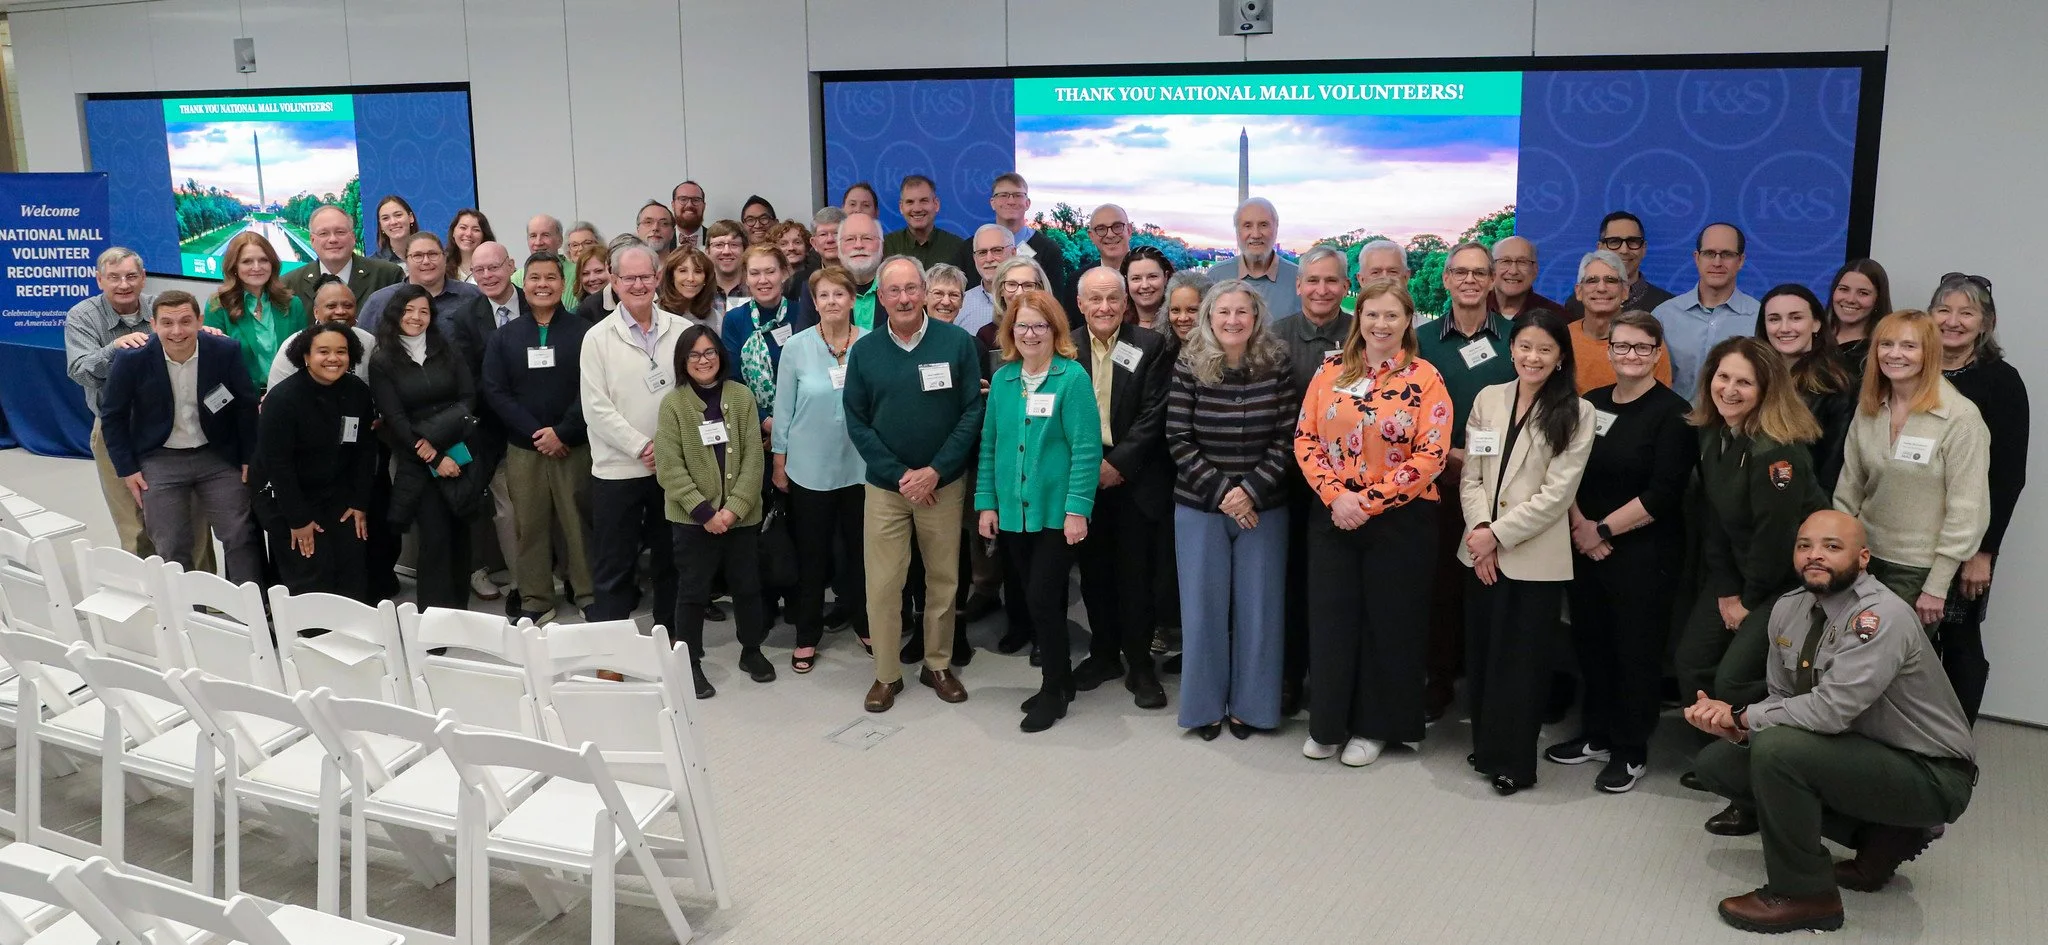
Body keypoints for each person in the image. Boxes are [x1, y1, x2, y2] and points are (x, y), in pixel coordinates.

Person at [1688, 511, 1976, 935]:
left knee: (1778, 751)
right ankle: (1883, 837)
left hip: (1930, 773)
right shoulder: (1789, 610)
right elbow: (1783, 700)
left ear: (1863, 558)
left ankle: (1806, 895)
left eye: (1831, 547)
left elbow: (1829, 711)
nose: (1814, 556)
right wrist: (1738, 728)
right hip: (1857, 753)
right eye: (1804, 546)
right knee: (1719, 762)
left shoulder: (1879, 618)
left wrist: (1742, 716)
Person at [1295, 278, 1453, 766]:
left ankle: (1375, 727)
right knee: (1332, 622)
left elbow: (1433, 454)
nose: (1381, 324)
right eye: (1371, 315)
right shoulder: (1330, 373)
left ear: (1409, 321)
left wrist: (1371, 501)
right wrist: (1337, 497)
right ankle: (1328, 724)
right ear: (1357, 319)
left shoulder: (1426, 378)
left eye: (1392, 316)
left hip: (1401, 522)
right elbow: (1306, 440)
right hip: (1334, 516)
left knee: (1390, 625)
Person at [1674, 336, 1826, 833]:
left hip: (1786, 587)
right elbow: (1714, 520)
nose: (1730, 389)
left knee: (1734, 681)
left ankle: (1753, 790)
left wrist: (1748, 601)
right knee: (1692, 661)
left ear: (1766, 389)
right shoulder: (1716, 436)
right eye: (1723, 377)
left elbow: (1776, 538)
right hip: (1737, 577)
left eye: (1744, 381)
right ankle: (1723, 764)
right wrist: (1724, 590)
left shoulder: (1778, 452)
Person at [1548, 311, 1695, 792]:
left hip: (1642, 554)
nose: (1630, 356)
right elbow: (1566, 472)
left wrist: (1602, 530)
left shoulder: (1675, 413)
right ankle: (1596, 735)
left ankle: (1631, 749)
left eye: (1641, 348)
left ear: (1657, 354)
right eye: (1622, 346)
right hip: (1585, 546)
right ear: (1608, 351)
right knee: (1592, 644)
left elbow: (1663, 494)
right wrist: (1580, 528)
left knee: (1635, 653)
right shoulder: (1589, 403)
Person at [1457, 311, 1596, 795]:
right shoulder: (1488, 399)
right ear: (1511, 348)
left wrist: (1497, 535)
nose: (1532, 357)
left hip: (1532, 558)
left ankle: (1516, 761)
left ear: (1561, 358)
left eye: (1545, 350)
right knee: (1484, 657)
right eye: (1525, 347)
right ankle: (1488, 746)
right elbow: (1472, 474)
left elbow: (1556, 496)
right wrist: (1479, 532)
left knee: (1521, 664)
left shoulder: (1577, 412)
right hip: (1479, 552)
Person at [841, 256, 985, 712]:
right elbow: (857, 421)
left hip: (942, 486)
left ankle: (937, 664)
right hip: (887, 489)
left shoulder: (958, 343)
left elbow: (971, 412)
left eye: (911, 289)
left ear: (923, 292)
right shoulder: (864, 351)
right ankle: (886, 674)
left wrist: (935, 470)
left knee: (944, 580)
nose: (903, 298)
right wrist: (901, 474)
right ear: (880, 299)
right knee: (883, 584)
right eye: (893, 291)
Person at [1165, 280, 1296, 740]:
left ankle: (1252, 709)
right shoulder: (1188, 364)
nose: (1233, 321)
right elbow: (1178, 438)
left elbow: (1287, 437)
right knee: (1202, 612)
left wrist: (1251, 492)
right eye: (1223, 312)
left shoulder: (1276, 364)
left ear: (1257, 318)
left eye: (1242, 312)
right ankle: (1203, 709)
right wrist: (1225, 493)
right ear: (1209, 317)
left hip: (1265, 508)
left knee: (1260, 613)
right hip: (1201, 506)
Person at [975, 288, 1100, 731]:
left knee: (1046, 599)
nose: (1030, 333)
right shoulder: (1005, 381)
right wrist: (986, 504)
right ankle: (1061, 681)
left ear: (1055, 330)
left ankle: (1053, 690)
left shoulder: (1072, 379)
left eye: (1039, 325)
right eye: (1021, 325)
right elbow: (990, 446)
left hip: (1055, 513)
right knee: (1030, 598)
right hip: (1012, 513)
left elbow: (1086, 450)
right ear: (1011, 331)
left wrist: (1077, 510)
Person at [1833, 310, 1989, 625]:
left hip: (1918, 571)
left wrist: (1937, 586)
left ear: (1929, 353)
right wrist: (1842, 555)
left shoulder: (1961, 417)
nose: (1894, 354)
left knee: (1884, 665)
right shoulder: (1870, 409)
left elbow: (1967, 509)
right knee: (1850, 658)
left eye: (1908, 346)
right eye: (1886, 344)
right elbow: (1849, 488)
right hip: (1864, 560)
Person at [1414, 241, 1515, 720]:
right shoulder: (1423, 341)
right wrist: (1446, 455)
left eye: (1481, 272)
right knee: (1439, 585)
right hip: (1436, 482)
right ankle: (1438, 679)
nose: (1471, 280)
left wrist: (1470, 456)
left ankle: (1485, 682)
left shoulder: (1517, 338)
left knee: (1491, 581)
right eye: (1461, 272)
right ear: (1447, 279)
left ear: (1493, 280)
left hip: (1501, 486)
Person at [100, 291, 263, 583]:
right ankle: (187, 619)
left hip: (216, 455)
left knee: (240, 534)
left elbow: (245, 405)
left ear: (200, 322)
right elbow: (113, 416)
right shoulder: (131, 360)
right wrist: (127, 469)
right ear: (153, 325)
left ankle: (248, 614)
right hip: (160, 458)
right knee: (171, 543)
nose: (177, 332)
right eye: (167, 323)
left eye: (186, 321)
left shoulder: (224, 351)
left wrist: (248, 457)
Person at [580, 245, 688, 665]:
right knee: (614, 565)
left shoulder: (681, 330)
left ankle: (672, 640)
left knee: (670, 560)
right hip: (617, 469)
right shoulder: (597, 338)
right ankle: (612, 655)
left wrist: (667, 450)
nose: (638, 285)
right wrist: (642, 446)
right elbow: (595, 406)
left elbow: (691, 394)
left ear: (658, 277)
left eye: (646, 277)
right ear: (613, 281)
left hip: (671, 468)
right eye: (629, 279)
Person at [1069, 268, 1171, 711]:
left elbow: (1155, 415)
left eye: (1113, 298)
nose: (1105, 307)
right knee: (1094, 575)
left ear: (1126, 302)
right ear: (1080, 304)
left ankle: (1141, 666)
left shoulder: (1151, 346)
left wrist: (1117, 465)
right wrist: (1088, 470)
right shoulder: (1064, 347)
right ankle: (1105, 655)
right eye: (1096, 299)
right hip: (1081, 479)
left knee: (1135, 578)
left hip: (1132, 480)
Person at [1930, 273, 2024, 724]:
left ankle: (1954, 743)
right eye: (1944, 310)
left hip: (1968, 534)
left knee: (1958, 633)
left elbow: (2008, 476)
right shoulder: (1910, 367)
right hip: (1908, 528)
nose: (1953, 321)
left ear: (1986, 322)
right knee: (1907, 634)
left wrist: (1984, 551)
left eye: (1966, 313)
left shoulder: (2001, 381)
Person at [656, 325, 770, 697]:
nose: (703, 361)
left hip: (740, 518)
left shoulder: (741, 397)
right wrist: (705, 513)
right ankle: (690, 663)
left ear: (720, 356)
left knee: (748, 587)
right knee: (692, 592)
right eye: (694, 355)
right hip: (693, 520)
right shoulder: (674, 404)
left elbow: (754, 459)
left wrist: (733, 510)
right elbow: (669, 467)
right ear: (683, 362)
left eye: (709, 353)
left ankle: (751, 650)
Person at [483, 251, 594, 625]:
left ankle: (587, 592)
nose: (542, 285)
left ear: (563, 285)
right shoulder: (504, 337)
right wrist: (537, 434)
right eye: (534, 278)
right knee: (527, 525)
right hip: (524, 448)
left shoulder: (583, 332)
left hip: (573, 445)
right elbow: (495, 391)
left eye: (550, 278)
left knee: (577, 523)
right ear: (523, 283)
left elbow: (593, 387)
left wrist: (563, 431)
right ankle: (536, 597)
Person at [774, 267, 873, 670]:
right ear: (814, 303)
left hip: (861, 467)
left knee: (861, 554)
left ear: (853, 300)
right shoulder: (796, 347)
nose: (832, 302)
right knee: (812, 556)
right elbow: (783, 408)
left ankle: (866, 623)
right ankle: (807, 634)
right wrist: (779, 461)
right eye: (823, 296)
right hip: (808, 467)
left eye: (839, 294)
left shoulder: (870, 344)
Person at [1271, 246, 1356, 715]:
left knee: (1334, 594)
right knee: (1289, 585)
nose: (1322, 290)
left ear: (1346, 287)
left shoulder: (1364, 335)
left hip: (1347, 492)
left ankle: (1334, 683)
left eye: (1332, 281)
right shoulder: (1275, 337)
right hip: (1287, 483)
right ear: (1298, 285)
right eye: (1313, 281)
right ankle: (1287, 677)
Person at [368, 285, 489, 609]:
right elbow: (395, 419)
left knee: (461, 534)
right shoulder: (382, 359)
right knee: (434, 539)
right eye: (408, 310)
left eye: (423, 310)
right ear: (396, 313)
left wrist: (447, 448)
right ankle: (433, 621)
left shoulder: (446, 348)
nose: (416, 317)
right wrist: (435, 458)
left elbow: (467, 398)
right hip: (419, 460)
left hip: (460, 449)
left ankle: (459, 614)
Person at [66, 247, 185, 560]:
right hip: (114, 428)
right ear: (99, 280)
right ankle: (148, 593)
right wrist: (113, 350)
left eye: (131, 276)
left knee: (182, 511)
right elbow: (79, 370)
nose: (123, 284)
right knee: (131, 518)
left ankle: (194, 592)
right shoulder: (82, 316)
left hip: (169, 425)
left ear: (143, 278)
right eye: (114, 277)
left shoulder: (161, 308)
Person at [254, 322, 378, 601]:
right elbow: (277, 465)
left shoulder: (357, 391)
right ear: (306, 356)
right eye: (323, 351)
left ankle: (349, 638)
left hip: (337, 492)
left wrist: (359, 502)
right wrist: (298, 520)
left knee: (351, 566)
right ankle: (309, 638)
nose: (333, 358)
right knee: (309, 568)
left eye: (341, 352)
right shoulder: (282, 399)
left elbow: (364, 451)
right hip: (287, 496)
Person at [447, 241, 527, 604]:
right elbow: (470, 379)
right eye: (479, 271)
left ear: (511, 265)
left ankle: (570, 577)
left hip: (546, 426)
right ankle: (522, 584)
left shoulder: (538, 303)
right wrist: (510, 408)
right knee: (507, 510)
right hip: (494, 430)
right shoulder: (465, 318)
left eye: (494, 267)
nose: (488, 276)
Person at [1756, 284, 1856, 490]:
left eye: (1796, 317)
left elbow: (1832, 466)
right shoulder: (1753, 378)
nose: (1784, 328)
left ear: (1816, 323)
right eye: (1774, 319)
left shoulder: (1836, 386)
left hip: (1804, 504)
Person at [1654, 222, 1760, 398]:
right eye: (1709, 253)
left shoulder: (1759, 317)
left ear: (1740, 261)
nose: (1717, 262)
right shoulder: (1664, 315)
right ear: (1697, 258)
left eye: (1727, 254)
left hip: (1737, 423)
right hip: (1677, 422)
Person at [201, 232, 308, 397]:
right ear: (234, 266)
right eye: (247, 261)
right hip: (241, 401)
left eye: (264, 260)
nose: (257, 267)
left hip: (290, 397)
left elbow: (306, 358)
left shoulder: (293, 304)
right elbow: (216, 365)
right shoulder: (218, 305)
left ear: (272, 264)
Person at [955, 173, 1071, 317]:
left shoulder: (1048, 249)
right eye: (1003, 195)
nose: (1010, 201)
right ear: (992, 202)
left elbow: (1055, 304)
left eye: (1017, 195)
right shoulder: (970, 247)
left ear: (1027, 203)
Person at [1569, 250, 1672, 393]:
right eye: (1592, 280)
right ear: (1579, 291)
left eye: (1610, 280)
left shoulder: (1648, 343)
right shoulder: (1561, 339)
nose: (1601, 288)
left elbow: (1661, 403)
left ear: (1625, 291)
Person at [721, 245, 797, 432]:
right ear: (746, 278)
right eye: (754, 273)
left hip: (801, 422)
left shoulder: (801, 314)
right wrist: (765, 422)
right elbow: (732, 380)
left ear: (784, 274)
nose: (763, 280)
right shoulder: (734, 320)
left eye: (770, 272)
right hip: (752, 425)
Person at [359, 232, 483, 334]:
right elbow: (364, 349)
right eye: (417, 256)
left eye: (433, 254)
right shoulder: (380, 302)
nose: (426, 261)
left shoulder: (473, 296)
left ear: (445, 258)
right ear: (406, 261)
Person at [1564, 211, 1675, 320]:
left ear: (1644, 248)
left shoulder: (1668, 306)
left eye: (1632, 241)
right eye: (1614, 241)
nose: (1624, 250)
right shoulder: (1578, 303)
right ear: (1600, 248)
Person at [284, 205, 403, 307]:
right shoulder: (289, 285)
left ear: (352, 237)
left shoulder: (387, 275)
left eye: (340, 232)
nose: (333, 239)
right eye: (323, 233)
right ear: (312, 240)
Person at [269, 276, 376, 388]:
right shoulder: (295, 344)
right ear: (316, 312)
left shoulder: (368, 342)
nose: (340, 311)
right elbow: (276, 395)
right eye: (331, 306)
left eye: (348, 306)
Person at [1204, 197, 1299, 318]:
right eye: (1247, 226)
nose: (1256, 234)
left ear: (1276, 229)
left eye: (1263, 225)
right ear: (1237, 231)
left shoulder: (1298, 278)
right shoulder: (1215, 277)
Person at [882, 174, 965, 268]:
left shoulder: (957, 247)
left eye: (924, 201)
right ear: (901, 207)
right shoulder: (886, 246)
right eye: (910, 202)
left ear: (936, 204)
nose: (917, 209)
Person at [1825, 259, 1892, 367]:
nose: (1850, 299)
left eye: (1863, 293)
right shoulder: (1811, 337)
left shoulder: (1885, 350)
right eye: (1844, 289)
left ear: (1878, 299)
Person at [978, 256, 1050, 353]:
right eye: (1011, 284)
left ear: (1040, 289)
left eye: (1028, 285)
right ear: (1000, 290)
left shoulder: (1054, 330)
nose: (1019, 293)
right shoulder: (986, 335)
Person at [958, 224, 1014, 338]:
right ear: (974, 258)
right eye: (982, 252)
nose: (989, 259)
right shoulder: (960, 305)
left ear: (1013, 253)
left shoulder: (1033, 301)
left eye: (997, 250)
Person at [1490, 236, 1563, 319]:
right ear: (1492, 268)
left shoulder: (1557, 316)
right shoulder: (1474, 309)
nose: (1513, 271)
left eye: (1522, 262)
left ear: (1535, 270)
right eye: (1505, 261)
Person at [656, 245, 720, 333]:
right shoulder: (655, 314)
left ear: (706, 278)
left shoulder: (715, 318)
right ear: (671, 276)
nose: (690, 278)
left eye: (698, 271)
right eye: (683, 271)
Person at [514, 215, 577, 297]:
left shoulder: (577, 274)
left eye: (545, 235)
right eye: (533, 236)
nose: (538, 242)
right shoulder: (516, 279)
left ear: (560, 240)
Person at [1120, 245, 1174, 334]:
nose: (1145, 285)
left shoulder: (1179, 323)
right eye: (1136, 278)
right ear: (1126, 281)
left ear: (1166, 277)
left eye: (1152, 276)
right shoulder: (1117, 324)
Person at [705, 221, 751, 316]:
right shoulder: (699, 290)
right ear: (707, 251)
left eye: (734, 245)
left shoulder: (757, 288)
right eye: (718, 245)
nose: (726, 251)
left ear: (745, 250)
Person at [445, 209, 493, 283]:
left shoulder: (495, 267)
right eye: (463, 228)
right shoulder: (442, 268)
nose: (468, 234)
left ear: (484, 235)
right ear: (453, 232)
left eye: (476, 230)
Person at [1162, 269, 1210, 344]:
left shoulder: (1222, 352)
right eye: (1175, 310)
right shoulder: (1161, 349)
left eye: (1192, 310)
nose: (1183, 318)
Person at [371, 195, 419, 266]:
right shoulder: (374, 265)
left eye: (398, 215)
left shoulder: (430, 254)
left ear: (410, 217)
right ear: (380, 225)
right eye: (385, 218)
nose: (393, 222)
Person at [1086, 204, 1132, 276]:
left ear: (1129, 230)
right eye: (1101, 229)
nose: (1110, 235)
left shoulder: (1151, 273)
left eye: (1117, 226)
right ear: (1091, 236)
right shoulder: (1078, 280)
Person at [573, 245, 615, 322]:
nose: (592, 278)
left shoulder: (624, 308)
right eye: (585, 273)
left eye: (599, 271)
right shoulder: (575, 315)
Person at [670, 181, 708, 249]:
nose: (689, 205)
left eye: (696, 200)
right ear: (673, 205)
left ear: (703, 206)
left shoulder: (716, 240)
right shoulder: (664, 241)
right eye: (683, 199)